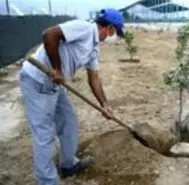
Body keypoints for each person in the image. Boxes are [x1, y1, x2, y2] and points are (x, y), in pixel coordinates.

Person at [18, 8, 124, 185]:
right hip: (37, 81)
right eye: (116, 33)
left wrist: (105, 104)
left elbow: (94, 78)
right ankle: (47, 182)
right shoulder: (83, 28)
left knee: (69, 121)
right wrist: (57, 69)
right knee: (44, 134)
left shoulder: (93, 48)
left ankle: (68, 165)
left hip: (55, 85)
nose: (115, 37)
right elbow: (49, 34)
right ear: (110, 28)